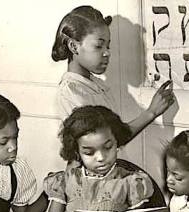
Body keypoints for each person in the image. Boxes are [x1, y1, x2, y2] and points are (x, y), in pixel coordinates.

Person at [52, 5, 174, 138]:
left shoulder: (95, 85)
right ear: (74, 46)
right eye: (99, 46)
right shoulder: (70, 93)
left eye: (108, 46)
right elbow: (108, 141)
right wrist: (151, 112)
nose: (107, 53)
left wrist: (152, 111)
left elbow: (115, 135)